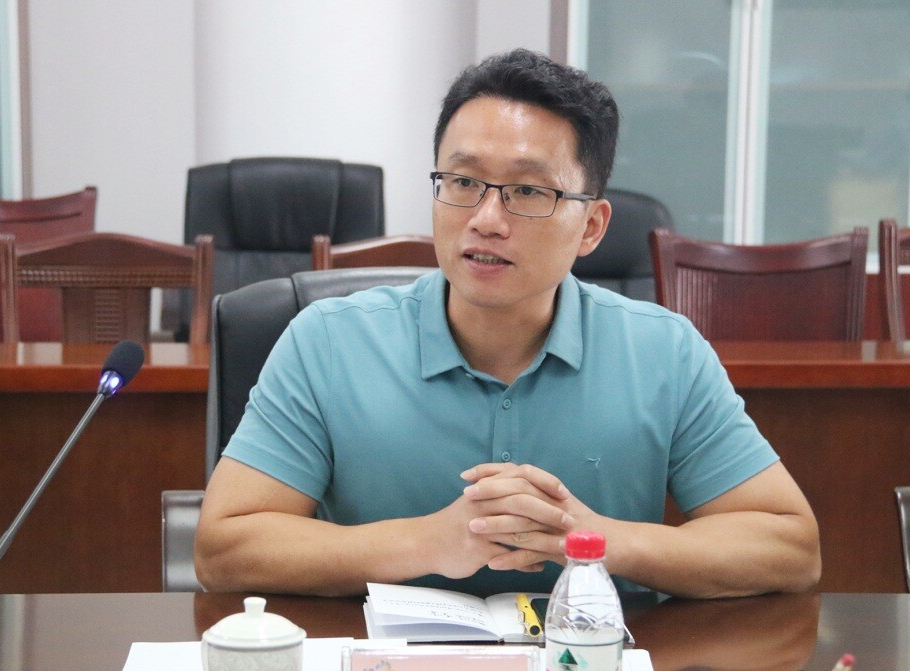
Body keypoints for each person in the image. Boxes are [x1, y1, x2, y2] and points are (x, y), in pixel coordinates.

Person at [195, 49, 820, 599]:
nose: (486, 219)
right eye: (462, 181)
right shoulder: (328, 341)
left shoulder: (664, 352)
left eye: (527, 192)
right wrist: (428, 543)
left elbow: (789, 548)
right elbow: (224, 548)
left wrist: (592, 538)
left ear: (592, 227)